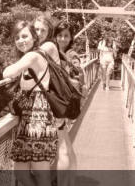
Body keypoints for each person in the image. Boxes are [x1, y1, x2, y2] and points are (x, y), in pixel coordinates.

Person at [3, 20, 58, 186]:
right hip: (28, 120)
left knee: (41, 173)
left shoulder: (33, 55)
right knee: (20, 171)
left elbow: (8, 72)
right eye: (17, 37)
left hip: (39, 119)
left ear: (34, 38)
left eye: (25, 36)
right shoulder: (30, 57)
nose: (21, 40)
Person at [53, 20, 78, 186]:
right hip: (60, 105)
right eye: (60, 35)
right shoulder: (55, 53)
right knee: (66, 146)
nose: (62, 39)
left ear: (70, 38)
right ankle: (70, 181)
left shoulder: (70, 55)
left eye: (66, 36)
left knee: (62, 148)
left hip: (60, 105)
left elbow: (77, 79)